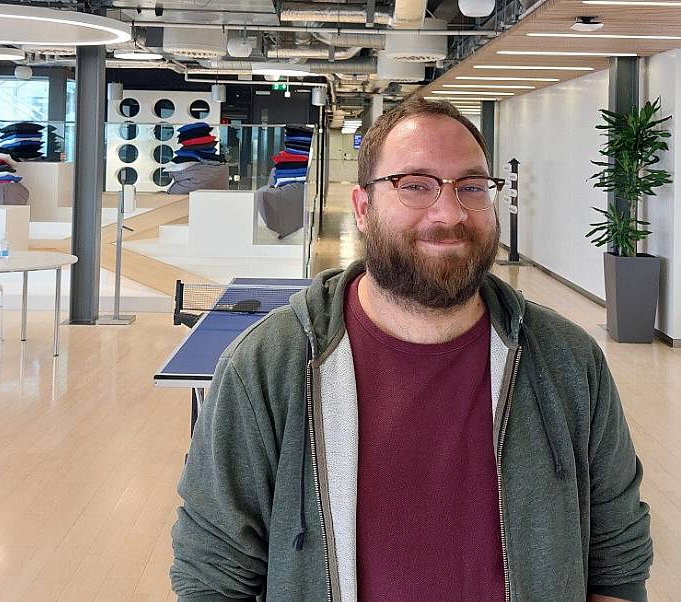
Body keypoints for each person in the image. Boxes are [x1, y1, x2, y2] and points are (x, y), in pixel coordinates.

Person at [170, 97, 653, 601]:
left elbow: (617, 562)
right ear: (363, 208)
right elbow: (213, 578)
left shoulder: (570, 363)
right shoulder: (267, 367)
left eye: (470, 187)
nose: (449, 212)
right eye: (415, 185)